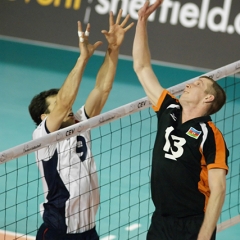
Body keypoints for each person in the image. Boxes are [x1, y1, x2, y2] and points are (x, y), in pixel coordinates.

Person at [28, 10, 134, 240]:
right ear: (44, 116)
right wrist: (83, 58)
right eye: (57, 106)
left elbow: (102, 88)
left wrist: (113, 49)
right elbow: (65, 99)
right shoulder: (43, 137)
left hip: (88, 231)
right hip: (59, 232)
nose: (67, 106)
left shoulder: (79, 122)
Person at [132, 1, 228, 239]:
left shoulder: (210, 135)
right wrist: (141, 22)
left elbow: (218, 190)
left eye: (197, 84)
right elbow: (141, 67)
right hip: (161, 220)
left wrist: (205, 235)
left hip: (192, 225)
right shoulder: (169, 109)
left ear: (208, 98)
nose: (188, 84)